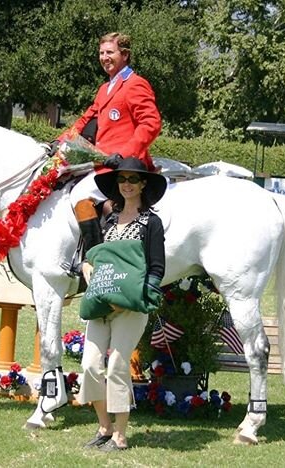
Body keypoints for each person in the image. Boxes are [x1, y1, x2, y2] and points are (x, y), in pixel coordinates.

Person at [77, 157, 166, 452]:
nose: (126, 184)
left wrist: (135, 298)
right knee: (90, 365)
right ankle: (105, 426)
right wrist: (86, 269)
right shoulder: (109, 220)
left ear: (143, 184)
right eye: (121, 179)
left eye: (132, 179)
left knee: (116, 366)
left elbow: (156, 267)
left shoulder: (151, 223)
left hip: (131, 308)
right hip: (101, 305)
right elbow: (96, 258)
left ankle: (121, 435)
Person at [56, 32, 162, 274]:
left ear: (124, 55)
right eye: (102, 53)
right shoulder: (105, 88)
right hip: (104, 163)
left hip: (126, 165)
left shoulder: (135, 84)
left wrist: (125, 154)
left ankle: (94, 262)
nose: (105, 57)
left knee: (79, 195)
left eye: (110, 52)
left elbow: (151, 123)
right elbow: (86, 119)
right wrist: (60, 140)